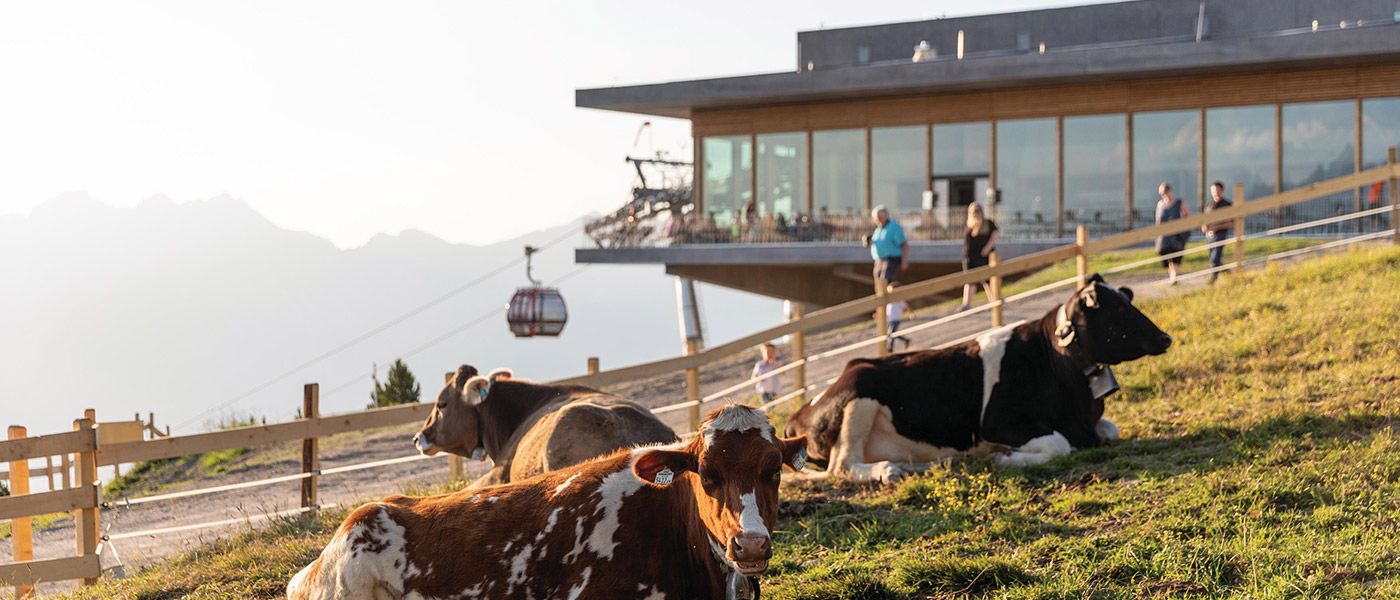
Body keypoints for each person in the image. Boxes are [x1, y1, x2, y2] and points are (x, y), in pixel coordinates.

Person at [959, 202, 999, 311]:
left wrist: (987, 248)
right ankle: (966, 304)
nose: (975, 213)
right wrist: (966, 261)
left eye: (977, 211)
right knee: (970, 282)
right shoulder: (969, 227)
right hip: (972, 258)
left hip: (986, 257)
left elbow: (995, 235)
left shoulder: (988, 224)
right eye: (972, 211)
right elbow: (967, 247)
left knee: (988, 281)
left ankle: (994, 301)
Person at [1155, 182, 1190, 285]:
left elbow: (1186, 216)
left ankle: (1174, 277)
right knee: (1166, 255)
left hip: (1177, 234)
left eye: (1166, 192)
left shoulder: (1179, 202)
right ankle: (1172, 276)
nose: (1165, 195)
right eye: (1162, 193)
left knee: (1175, 255)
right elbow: (1158, 219)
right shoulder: (1160, 204)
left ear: (1170, 191)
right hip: (1164, 236)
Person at [865, 205, 908, 286]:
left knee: (885, 279)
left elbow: (904, 244)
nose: (877, 220)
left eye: (878, 217)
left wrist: (904, 260)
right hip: (879, 260)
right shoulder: (879, 229)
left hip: (891, 259)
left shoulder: (893, 227)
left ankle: (886, 296)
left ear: (885, 216)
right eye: (875, 218)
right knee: (878, 280)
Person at [1201, 181, 1233, 283]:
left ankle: (1213, 279)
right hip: (1209, 235)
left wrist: (1218, 227)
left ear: (1222, 190)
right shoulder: (1209, 205)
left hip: (1221, 234)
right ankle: (1228, 273)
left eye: (1217, 190)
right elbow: (1204, 219)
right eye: (1213, 191)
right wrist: (1204, 227)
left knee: (1215, 257)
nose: (1215, 193)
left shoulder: (1227, 204)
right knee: (1213, 257)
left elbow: (1231, 222)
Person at [882, 283, 914, 352]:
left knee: (890, 334)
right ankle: (906, 340)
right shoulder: (888, 300)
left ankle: (890, 350)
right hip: (890, 319)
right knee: (892, 333)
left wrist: (911, 313)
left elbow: (906, 307)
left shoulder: (898, 300)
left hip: (896, 319)